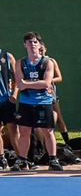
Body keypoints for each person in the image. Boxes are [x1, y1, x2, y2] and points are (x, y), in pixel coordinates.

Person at [12, 33, 63, 170]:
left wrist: (28, 84)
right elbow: (19, 84)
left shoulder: (47, 62)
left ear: (40, 45)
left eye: (35, 42)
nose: (32, 44)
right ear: (25, 45)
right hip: (26, 103)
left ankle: (53, 159)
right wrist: (34, 84)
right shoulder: (20, 63)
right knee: (24, 131)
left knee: (48, 131)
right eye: (29, 42)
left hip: (43, 102)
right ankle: (22, 160)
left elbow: (46, 83)